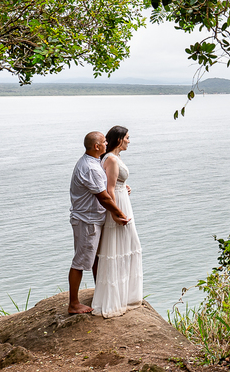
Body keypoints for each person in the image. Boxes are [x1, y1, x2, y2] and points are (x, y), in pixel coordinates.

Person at [68, 131, 128, 315]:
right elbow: (103, 197)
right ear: (96, 146)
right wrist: (119, 214)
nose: (106, 143)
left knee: (95, 258)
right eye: (104, 141)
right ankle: (73, 303)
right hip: (87, 221)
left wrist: (122, 187)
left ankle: (99, 292)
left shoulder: (93, 162)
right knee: (80, 261)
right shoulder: (90, 168)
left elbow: (106, 185)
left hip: (92, 218)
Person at [92, 125, 144, 317]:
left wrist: (125, 185)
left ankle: (123, 294)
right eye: (127, 138)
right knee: (122, 246)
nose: (129, 141)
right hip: (118, 204)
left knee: (124, 245)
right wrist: (116, 213)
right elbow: (110, 189)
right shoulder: (112, 159)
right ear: (119, 139)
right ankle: (119, 297)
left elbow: (114, 183)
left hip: (122, 199)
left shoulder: (111, 157)